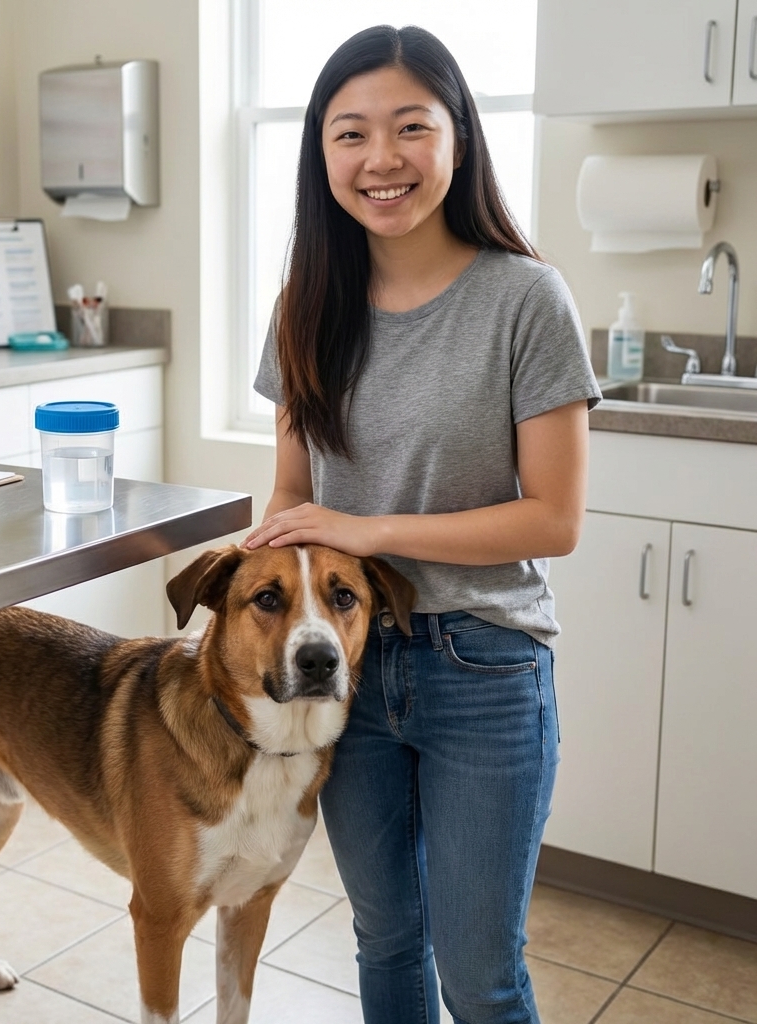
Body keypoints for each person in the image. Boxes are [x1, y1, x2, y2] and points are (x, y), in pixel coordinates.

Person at [245, 24, 601, 1024]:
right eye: (348, 133)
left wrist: (360, 529)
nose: (380, 159)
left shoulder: (525, 298)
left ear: (458, 139)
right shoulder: (304, 307)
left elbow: (554, 517)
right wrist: (263, 581)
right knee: (384, 941)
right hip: (346, 663)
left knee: (480, 973)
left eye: (410, 127)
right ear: (322, 156)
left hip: (483, 665)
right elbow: (288, 490)